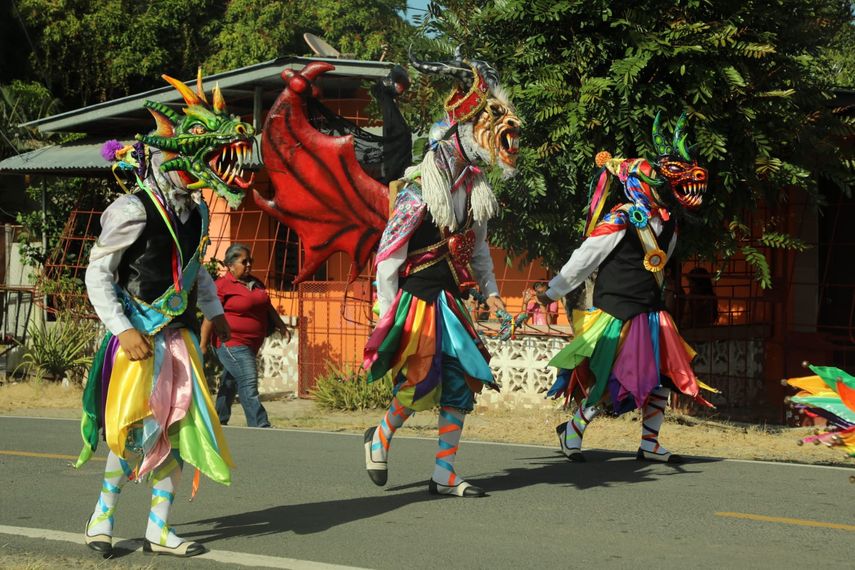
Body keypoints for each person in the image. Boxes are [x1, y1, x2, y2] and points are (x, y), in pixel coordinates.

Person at [76, 71, 253, 557]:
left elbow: (197, 272)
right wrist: (124, 328)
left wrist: (214, 313)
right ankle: (102, 516)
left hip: (178, 337)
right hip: (137, 338)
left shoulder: (197, 213)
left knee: (175, 428)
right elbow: (97, 274)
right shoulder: (131, 209)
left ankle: (158, 527)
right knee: (132, 429)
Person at [362, 53, 520, 497]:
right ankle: (380, 436)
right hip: (416, 300)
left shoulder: (477, 192)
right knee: (419, 381)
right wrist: (386, 314)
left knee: (459, 381)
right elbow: (388, 257)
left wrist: (491, 295)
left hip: (450, 303)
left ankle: (444, 471)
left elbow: (481, 253)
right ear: (457, 135)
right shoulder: (417, 191)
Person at [543, 113, 717, 464]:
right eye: (656, 181)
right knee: (608, 378)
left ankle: (650, 442)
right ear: (639, 185)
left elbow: (660, 264)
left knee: (663, 377)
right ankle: (573, 431)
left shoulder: (670, 225)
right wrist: (551, 291)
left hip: (652, 311)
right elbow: (585, 258)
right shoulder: (620, 217)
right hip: (617, 312)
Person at [200, 244, 291, 428]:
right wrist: (203, 344)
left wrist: (281, 326)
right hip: (229, 341)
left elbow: (266, 306)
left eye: (251, 261)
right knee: (248, 379)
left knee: (232, 378)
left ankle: (217, 420)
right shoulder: (222, 286)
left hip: (252, 343)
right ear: (231, 265)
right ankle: (260, 424)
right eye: (244, 261)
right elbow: (210, 314)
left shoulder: (256, 283)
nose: (249, 264)